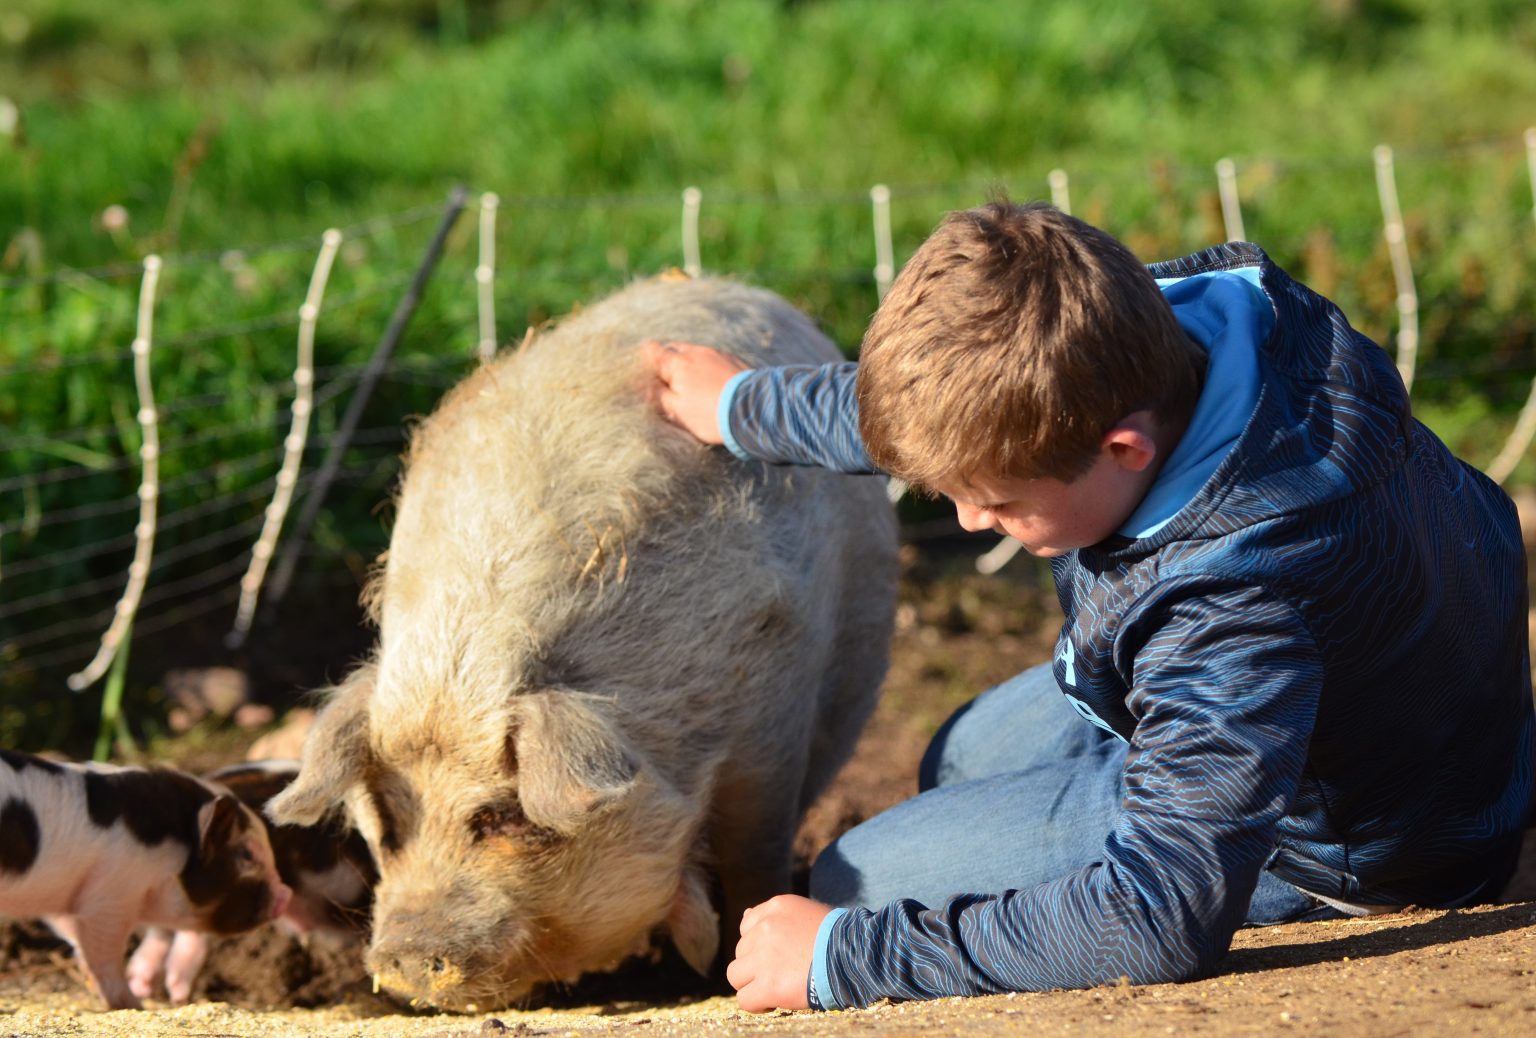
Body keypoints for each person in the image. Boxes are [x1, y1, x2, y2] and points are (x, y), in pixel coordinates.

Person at [642, 200, 1536, 1013]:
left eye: (997, 501)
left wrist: (845, 957)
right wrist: (742, 404)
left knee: (853, 880)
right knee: (955, 757)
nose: (968, 519)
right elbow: (960, 412)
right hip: (1341, 698)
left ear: (1122, 448)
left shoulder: (1234, 605)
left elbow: (1157, 914)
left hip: (1350, 835)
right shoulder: (1185, 322)